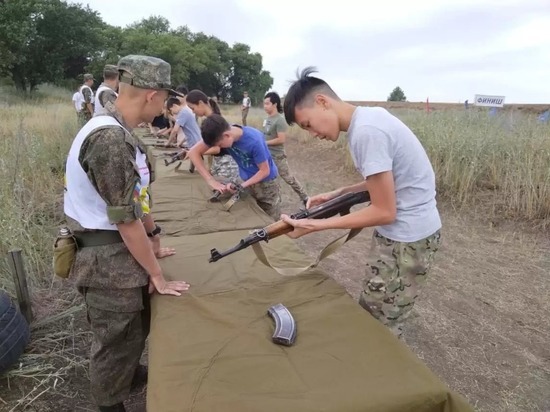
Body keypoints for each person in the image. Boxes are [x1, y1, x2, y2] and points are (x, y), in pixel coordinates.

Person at [63, 54, 190, 412]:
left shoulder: (114, 127)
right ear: (152, 95)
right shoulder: (109, 140)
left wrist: (154, 237)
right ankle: (110, 402)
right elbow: (125, 219)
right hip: (107, 261)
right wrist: (155, 273)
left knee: (134, 326)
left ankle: (128, 372)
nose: (166, 105)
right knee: (115, 339)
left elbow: (136, 201)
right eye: (165, 97)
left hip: (118, 253)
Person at [280, 67, 442, 339]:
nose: (312, 133)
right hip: (408, 237)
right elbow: (387, 183)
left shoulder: (367, 132)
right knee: (377, 314)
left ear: (322, 101)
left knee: (379, 324)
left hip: (407, 239)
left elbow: (384, 210)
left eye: (308, 124)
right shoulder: (369, 120)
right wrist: (339, 192)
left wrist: (314, 225)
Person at [187, 114, 282, 220]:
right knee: (252, 215)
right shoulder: (219, 133)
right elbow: (193, 153)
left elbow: (265, 171)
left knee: (270, 218)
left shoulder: (254, 141)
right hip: (246, 179)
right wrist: (211, 181)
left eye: (219, 145)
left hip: (266, 184)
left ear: (227, 135)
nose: (219, 148)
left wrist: (241, 186)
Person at [263, 91, 309, 205]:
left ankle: (305, 198)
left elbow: (281, 139)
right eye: (264, 104)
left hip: (277, 156)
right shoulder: (268, 119)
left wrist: (264, 143)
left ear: (274, 104)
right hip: (267, 154)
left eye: (267, 103)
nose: (265, 106)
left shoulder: (280, 120)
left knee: (288, 178)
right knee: (268, 179)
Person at [186, 89, 240, 183]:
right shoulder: (213, 120)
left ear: (200, 103)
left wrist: (198, 152)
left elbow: (216, 149)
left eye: (193, 108)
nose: (193, 112)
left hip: (226, 164)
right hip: (221, 162)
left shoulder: (214, 122)